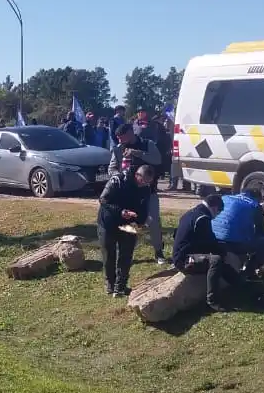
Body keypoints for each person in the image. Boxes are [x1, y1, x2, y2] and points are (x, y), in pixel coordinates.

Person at [172, 194, 245, 311]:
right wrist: (224, 253)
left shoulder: (191, 213)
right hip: (184, 260)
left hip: (185, 253)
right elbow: (210, 243)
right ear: (215, 208)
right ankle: (212, 301)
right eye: (218, 212)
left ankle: (240, 284)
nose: (216, 216)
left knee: (219, 259)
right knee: (216, 260)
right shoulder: (202, 218)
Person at [109, 124, 166, 263]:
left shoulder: (147, 144)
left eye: (121, 137)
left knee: (153, 221)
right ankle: (127, 253)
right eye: (117, 138)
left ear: (130, 133)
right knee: (129, 222)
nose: (120, 140)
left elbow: (157, 160)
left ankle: (159, 252)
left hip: (148, 192)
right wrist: (120, 176)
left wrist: (137, 153)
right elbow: (111, 168)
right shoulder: (117, 149)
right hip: (128, 194)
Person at [98, 162, 157, 297]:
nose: (145, 184)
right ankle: (110, 284)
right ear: (137, 175)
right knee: (109, 255)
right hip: (109, 222)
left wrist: (142, 222)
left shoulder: (146, 188)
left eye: (148, 182)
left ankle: (120, 287)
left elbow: (144, 207)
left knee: (126, 255)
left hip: (129, 225)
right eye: (143, 181)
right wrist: (121, 212)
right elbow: (103, 200)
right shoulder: (117, 180)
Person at [211, 190, 264, 277]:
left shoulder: (225, 198)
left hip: (212, 238)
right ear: (258, 198)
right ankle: (252, 271)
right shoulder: (255, 205)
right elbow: (261, 231)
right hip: (233, 244)